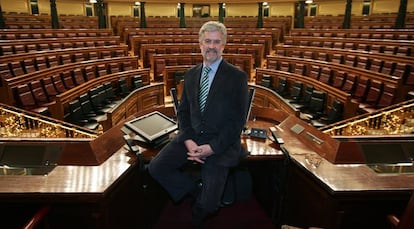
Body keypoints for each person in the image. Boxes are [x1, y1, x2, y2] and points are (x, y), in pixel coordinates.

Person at [148, 21, 249, 227]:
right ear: (200, 44)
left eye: (216, 42)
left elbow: (237, 121)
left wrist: (212, 148)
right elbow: (183, 112)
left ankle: (203, 205)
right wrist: (188, 141)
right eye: (207, 41)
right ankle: (196, 189)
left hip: (219, 143)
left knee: (210, 205)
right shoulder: (191, 74)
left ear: (223, 45)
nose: (211, 46)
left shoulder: (237, 77)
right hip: (192, 137)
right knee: (156, 168)